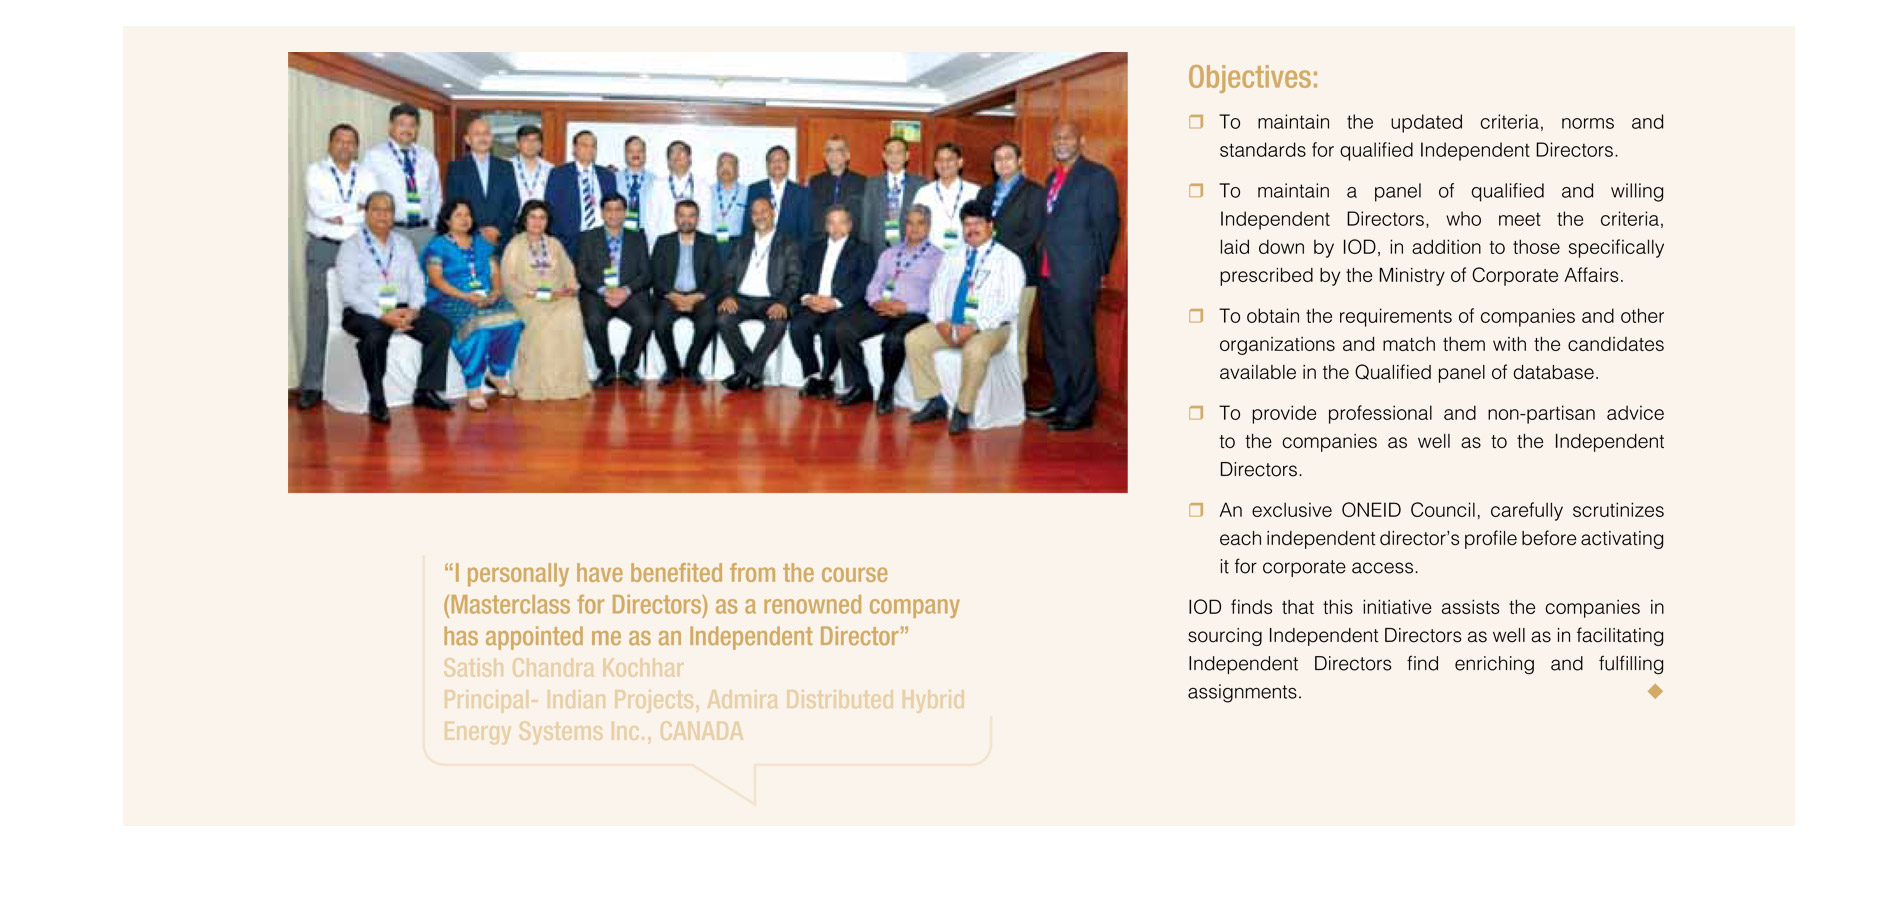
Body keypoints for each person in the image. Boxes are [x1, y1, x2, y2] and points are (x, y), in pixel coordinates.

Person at [334, 191, 455, 424]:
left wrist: (415, 309)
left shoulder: (403, 244)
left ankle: (425, 390)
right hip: (364, 310)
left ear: (394, 214)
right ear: (366, 213)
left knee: (441, 328)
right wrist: (382, 314)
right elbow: (349, 293)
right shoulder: (351, 246)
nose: (383, 215)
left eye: (388, 210)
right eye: (376, 210)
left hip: (402, 307)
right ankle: (377, 399)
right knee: (374, 337)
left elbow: (417, 280)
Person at [906, 201, 1025, 436]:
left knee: (975, 351)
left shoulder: (1008, 260)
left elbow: (1009, 306)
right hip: (951, 322)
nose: (972, 229)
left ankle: (962, 409)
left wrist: (975, 326)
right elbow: (937, 291)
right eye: (967, 224)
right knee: (914, 340)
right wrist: (940, 321)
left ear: (990, 226)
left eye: (977, 223)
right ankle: (935, 400)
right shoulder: (952, 256)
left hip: (991, 327)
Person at [1031, 122, 1121, 432]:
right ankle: (1062, 400)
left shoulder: (1097, 176)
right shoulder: (1052, 178)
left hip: (1076, 276)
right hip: (1048, 273)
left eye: (1067, 137)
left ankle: (1081, 411)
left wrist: (1097, 269)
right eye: (1056, 137)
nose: (1061, 142)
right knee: (1055, 343)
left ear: (1081, 141)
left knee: (1077, 343)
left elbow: (1107, 226)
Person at [299, 122, 380, 409]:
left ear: (356, 147)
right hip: (324, 247)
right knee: (319, 315)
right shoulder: (316, 171)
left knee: (363, 311)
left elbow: (372, 210)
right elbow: (319, 209)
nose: (345, 146)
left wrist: (342, 214)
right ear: (330, 144)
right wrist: (354, 209)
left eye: (350, 142)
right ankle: (312, 384)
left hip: (358, 249)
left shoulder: (367, 174)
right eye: (339, 141)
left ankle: (357, 383)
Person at [831, 204, 941, 413]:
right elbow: (874, 285)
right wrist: (876, 302)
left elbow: (937, 298)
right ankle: (862, 386)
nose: (914, 228)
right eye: (910, 223)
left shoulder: (939, 258)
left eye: (920, 223)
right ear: (904, 226)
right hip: (883, 307)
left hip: (912, 313)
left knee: (893, 340)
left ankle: (887, 390)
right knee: (843, 330)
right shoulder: (889, 253)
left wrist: (905, 307)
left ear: (928, 227)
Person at [421, 199, 519, 411]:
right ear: (447, 220)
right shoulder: (437, 246)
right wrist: (465, 296)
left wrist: (496, 291)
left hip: (484, 296)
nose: (465, 219)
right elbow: (436, 280)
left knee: (513, 321)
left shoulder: (481, 242)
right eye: (458, 215)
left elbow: (494, 271)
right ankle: (474, 386)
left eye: (468, 214)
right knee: (478, 327)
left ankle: (497, 373)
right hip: (449, 299)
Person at [500, 200, 589, 401]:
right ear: (524, 220)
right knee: (542, 319)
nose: (537, 222)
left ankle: (568, 384)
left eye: (542, 218)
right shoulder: (515, 245)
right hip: (527, 299)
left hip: (558, 297)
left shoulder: (554, 244)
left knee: (572, 315)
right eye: (532, 217)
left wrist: (570, 288)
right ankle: (539, 385)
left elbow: (569, 272)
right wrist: (539, 295)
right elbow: (509, 282)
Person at [975, 140, 1047, 376]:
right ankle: (993, 385)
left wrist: (998, 257)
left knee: (1016, 335)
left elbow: (1032, 233)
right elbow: (976, 229)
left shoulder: (1034, 193)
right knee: (988, 331)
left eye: (1008, 157)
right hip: (986, 275)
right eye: (998, 158)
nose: (1003, 162)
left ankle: (1016, 386)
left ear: (1019, 161)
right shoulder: (985, 193)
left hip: (1020, 274)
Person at [717, 196, 803, 391]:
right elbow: (728, 275)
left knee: (778, 322)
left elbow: (794, 279)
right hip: (742, 300)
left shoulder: (788, 243)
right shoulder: (742, 242)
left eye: (764, 211)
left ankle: (744, 373)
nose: (760, 216)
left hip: (771, 300)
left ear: (773, 213)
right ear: (751, 217)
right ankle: (753, 371)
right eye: (755, 213)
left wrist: (783, 303)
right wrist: (729, 296)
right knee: (723, 319)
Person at [788, 205, 875, 398]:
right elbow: (803, 277)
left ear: (850, 225)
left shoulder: (862, 249)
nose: (836, 228)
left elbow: (864, 282)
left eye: (841, 223)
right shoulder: (814, 248)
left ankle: (827, 378)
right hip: (815, 302)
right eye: (831, 223)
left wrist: (835, 302)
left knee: (831, 329)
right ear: (826, 226)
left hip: (843, 305)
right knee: (798, 326)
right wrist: (808, 298)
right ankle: (813, 375)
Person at [575, 194, 655, 387]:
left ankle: (628, 367)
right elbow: (581, 272)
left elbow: (646, 273)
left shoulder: (637, 237)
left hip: (629, 293)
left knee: (646, 319)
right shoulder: (587, 237)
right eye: (609, 210)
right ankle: (607, 368)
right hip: (598, 294)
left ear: (625, 213)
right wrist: (604, 290)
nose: (613, 214)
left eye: (618, 209)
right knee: (593, 320)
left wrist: (625, 291)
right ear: (602, 213)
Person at [649, 199, 723, 386]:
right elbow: (656, 276)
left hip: (699, 297)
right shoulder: (663, 242)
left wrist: (695, 297)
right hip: (671, 296)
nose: (686, 220)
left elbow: (715, 277)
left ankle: (692, 365)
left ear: (698, 219)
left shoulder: (709, 242)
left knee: (709, 322)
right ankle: (672, 366)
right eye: (682, 215)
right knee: (660, 322)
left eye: (691, 216)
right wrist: (675, 296)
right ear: (675, 218)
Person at [362, 103, 441, 252]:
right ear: (391, 126)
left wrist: (433, 226)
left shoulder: (427, 157)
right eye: (402, 124)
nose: (407, 129)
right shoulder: (374, 156)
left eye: (412, 125)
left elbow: (435, 194)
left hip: (424, 232)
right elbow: (366, 196)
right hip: (391, 230)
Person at [445, 117, 520, 248]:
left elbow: (513, 202)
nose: (482, 138)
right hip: (468, 238)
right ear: (467, 139)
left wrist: (497, 229)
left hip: (500, 238)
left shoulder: (506, 167)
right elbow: (454, 204)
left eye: (486, 133)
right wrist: (478, 232)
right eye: (477, 134)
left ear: (491, 138)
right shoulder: (456, 168)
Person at [546, 131, 616, 257]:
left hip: (600, 242)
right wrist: (558, 239)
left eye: (593, 146)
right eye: (584, 145)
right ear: (574, 148)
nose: (589, 149)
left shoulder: (607, 176)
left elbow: (613, 209)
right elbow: (550, 209)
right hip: (569, 243)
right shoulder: (559, 174)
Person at [860, 135, 926, 254]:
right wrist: (865, 250)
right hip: (878, 248)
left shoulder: (920, 184)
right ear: (884, 156)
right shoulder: (872, 184)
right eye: (890, 153)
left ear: (907, 156)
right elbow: (866, 221)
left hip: (911, 247)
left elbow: (925, 221)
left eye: (899, 152)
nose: (894, 157)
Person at [644, 139, 712, 250]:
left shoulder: (702, 185)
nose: (677, 155)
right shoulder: (657, 185)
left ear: (689, 159)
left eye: (681, 151)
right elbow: (650, 222)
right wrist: (656, 247)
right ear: (668, 162)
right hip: (664, 247)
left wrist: (701, 248)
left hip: (693, 246)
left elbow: (706, 222)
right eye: (673, 152)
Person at [914, 142, 980, 254]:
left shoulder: (975, 192)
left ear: (960, 162)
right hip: (930, 256)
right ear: (935, 164)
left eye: (950, 160)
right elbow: (915, 228)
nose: (944, 164)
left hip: (966, 256)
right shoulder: (924, 193)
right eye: (940, 160)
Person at [743, 145, 811, 248]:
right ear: (767, 165)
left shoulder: (801, 193)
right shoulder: (754, 189)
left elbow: (805, 231)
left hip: (791, 252)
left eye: (781, 160)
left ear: (788, 164)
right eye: (773, 160)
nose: (777, 164)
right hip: (760, 249)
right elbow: (748, 224)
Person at [805, 135, 866, 238]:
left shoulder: (862, 182)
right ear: (824, 156)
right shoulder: (815, 182)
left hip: (852, 241)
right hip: (821, 241)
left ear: (847, 155)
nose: (833, 155)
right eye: (829, 150)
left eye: (839, 150)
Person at [707, 152, 748, 264]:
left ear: (737, 170)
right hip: (712, 244)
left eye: (730, 164)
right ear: (716, 170)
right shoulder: (706, 192)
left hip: (739, 245)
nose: (725, 168)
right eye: (721, 165)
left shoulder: (747, 192)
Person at [616, 136, 657, 235]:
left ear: (645, 154)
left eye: (640, 151)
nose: (635, 154)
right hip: (619, 232)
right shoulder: (613, 179)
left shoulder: (655, 181)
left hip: (646, 234)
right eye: (631, 151)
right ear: (625, 154)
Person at [511, 124, 550, 204]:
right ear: (517, 144)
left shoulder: (550, 169)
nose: (531, 144)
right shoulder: (507, 167)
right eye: (526, 140)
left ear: (541, 145)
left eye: (535, 140)